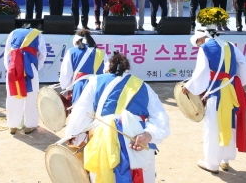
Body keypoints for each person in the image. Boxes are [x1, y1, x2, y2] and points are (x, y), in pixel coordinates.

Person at [65, 52, 170, 182]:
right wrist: (149, 135)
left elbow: (80, 114)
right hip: (137, 143)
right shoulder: (142, 85)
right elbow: (160, 117)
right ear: (127, 69)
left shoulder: (95, 81)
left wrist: (73, 136)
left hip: (102, 142)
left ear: (107, 69)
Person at [184, 29, 246, 174]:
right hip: (231, 90)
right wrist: (237, 81)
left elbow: (201, 71)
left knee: (213, 127)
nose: (199, 45)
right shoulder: (229, 45)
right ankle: (225, 160)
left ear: (200, 39)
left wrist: (189, 87)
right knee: (229, 123)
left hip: (216, 91)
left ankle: (212, 163)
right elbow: (244, 63)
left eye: (198, 43)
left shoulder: (204, 48)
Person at [3, 27, 46, 135]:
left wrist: (9, 67)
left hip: (13, 66)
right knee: (32, 97)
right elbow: (42, 54)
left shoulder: (13, 32)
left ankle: (13, 126)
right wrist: (36, 67)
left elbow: (7, 52)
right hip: (30, 67)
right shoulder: (37, 34)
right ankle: (29, 126)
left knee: (13, 95)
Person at [59, 29, 108, 104]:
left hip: (79, 88)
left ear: (76, 42)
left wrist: (65, 86)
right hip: (97, 89)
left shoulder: (72, 52)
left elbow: (65, 75)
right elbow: (107, 73)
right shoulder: (102, 53)